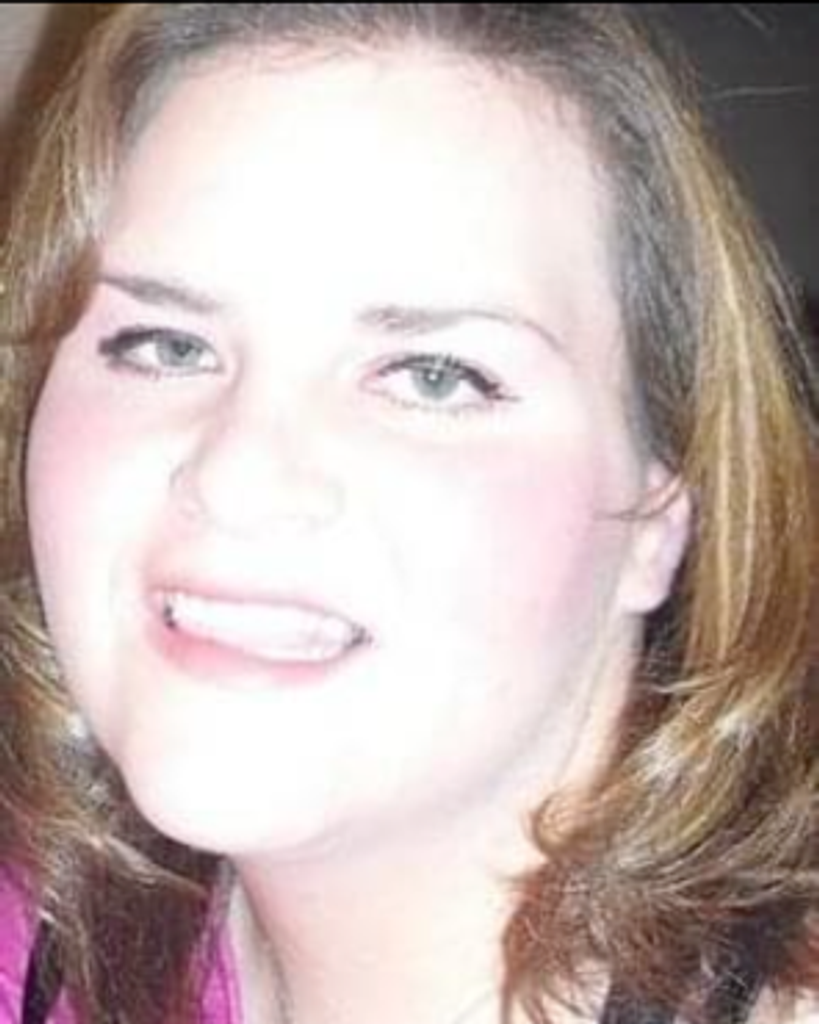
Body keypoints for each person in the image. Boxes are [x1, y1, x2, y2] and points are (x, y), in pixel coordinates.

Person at [1, 4, 817, 1023]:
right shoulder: (37, 935)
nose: (240, 475)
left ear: (657, 515)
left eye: (433, 375)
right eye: (165, 345)